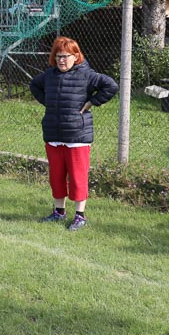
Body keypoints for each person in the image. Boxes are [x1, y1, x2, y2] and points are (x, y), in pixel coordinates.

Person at [29, 36, 118, 231]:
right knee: (56, 177)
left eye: (66, 56)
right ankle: (59, 212)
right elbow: (34, 85)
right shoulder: (49, 75)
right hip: (54, 135)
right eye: (58, 56)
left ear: (76, 56)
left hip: (77, 136)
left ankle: (80, 216)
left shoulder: (87, 75)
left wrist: (92, 102)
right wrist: (48, 101)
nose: (61, 60)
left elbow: (111, 86)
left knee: (77, 177)